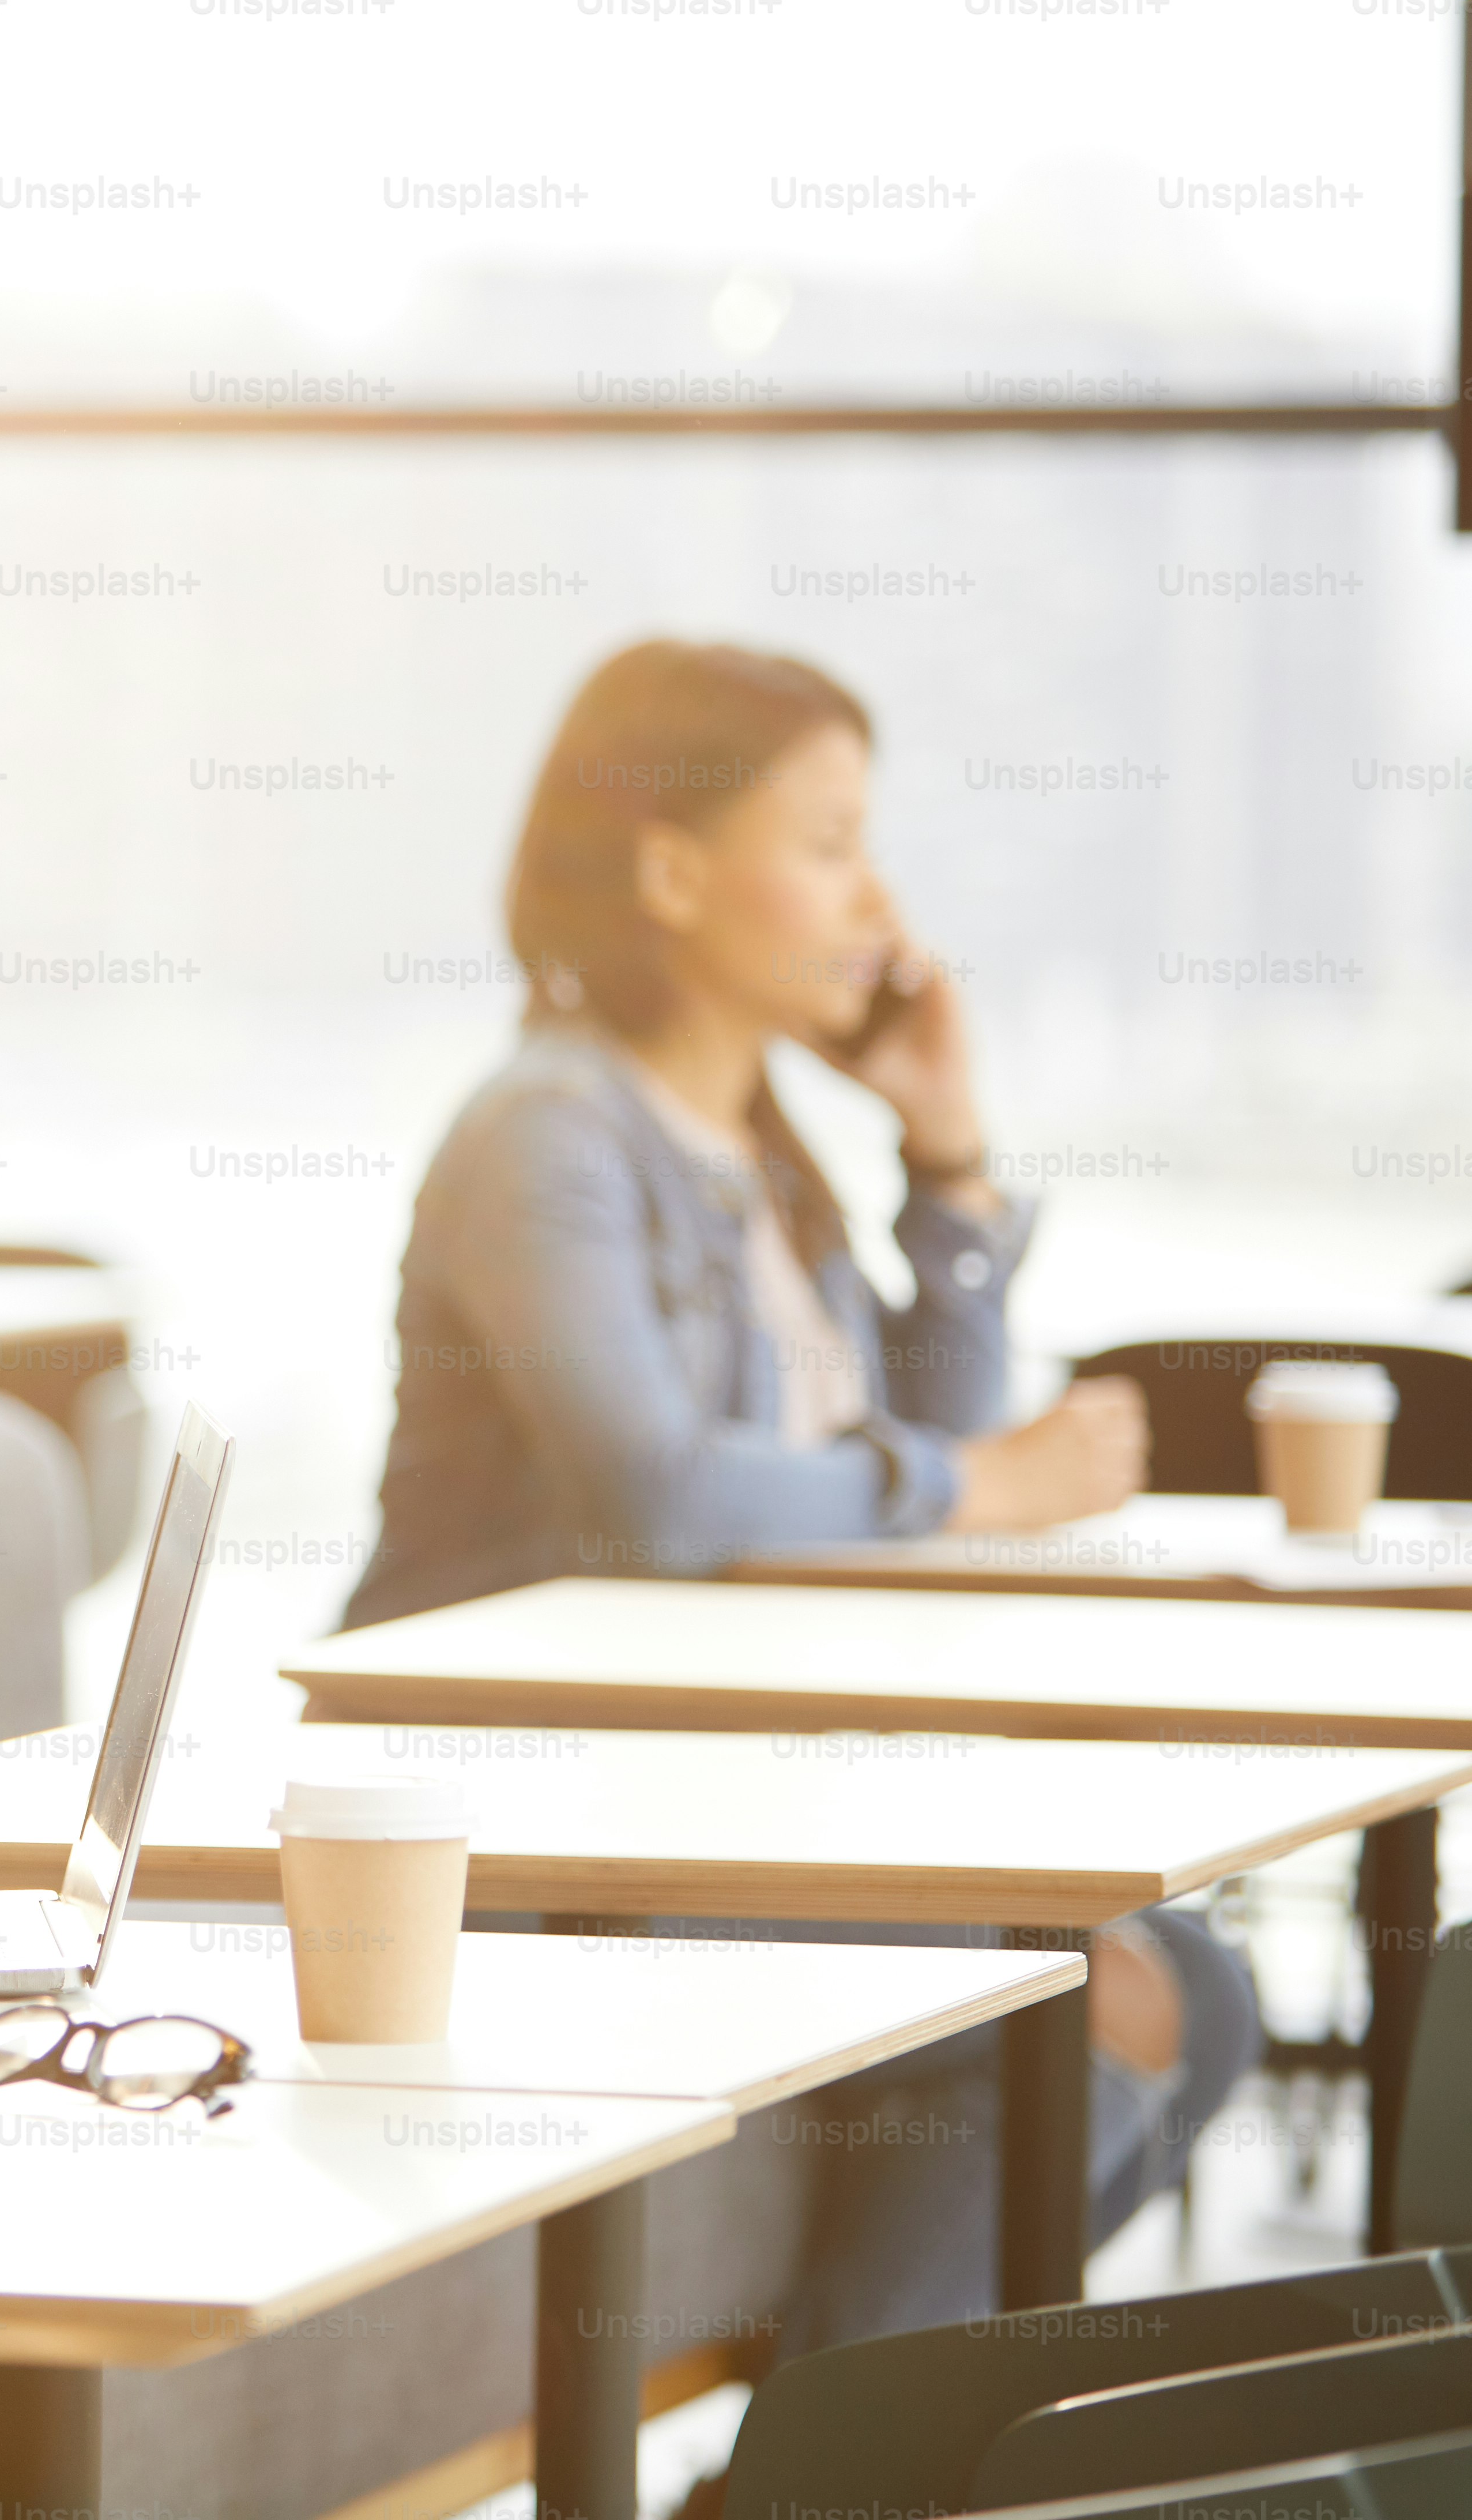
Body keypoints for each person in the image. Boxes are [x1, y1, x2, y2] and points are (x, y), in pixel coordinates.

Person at [345, 638, 1253, 2350]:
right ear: (672, 872)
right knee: (1121, 1984)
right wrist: (982, 1484)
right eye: (831, 839)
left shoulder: (761, 1155)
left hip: (716, 1772)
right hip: (515, 1791)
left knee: (1198, 1980)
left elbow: (907, 1430)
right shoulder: (545, 1137)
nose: (877, 898)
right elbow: (664, 1501)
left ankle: (820, 2463)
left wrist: (948, 1157)